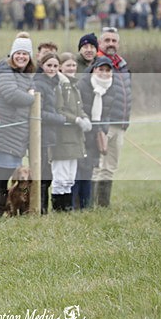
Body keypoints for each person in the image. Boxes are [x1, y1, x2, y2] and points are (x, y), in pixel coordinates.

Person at [0, 33, 36, 216]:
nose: (21, 56)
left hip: (17, 136)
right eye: (18, 53)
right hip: (4, 135)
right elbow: (12, 95)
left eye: (25, 53)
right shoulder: (5, 71)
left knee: (5, 176)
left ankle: (3, 211)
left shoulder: (26, 75)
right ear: (12, 55)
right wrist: (32, 97)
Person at [92, 28, 131, 207]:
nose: (111, 44)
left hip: (120, 123)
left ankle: (103, 205)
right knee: (97, 166)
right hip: (103, 124)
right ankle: (89, 205)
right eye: (107, 40)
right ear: (100, 43)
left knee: (110, 167)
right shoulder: (97, 64)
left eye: (114, 41)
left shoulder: (122, 65)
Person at [52, 57, 91, 211]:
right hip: (62, 137)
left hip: (75, 137)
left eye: (74, 65)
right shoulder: (60, 85)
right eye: (68, 65)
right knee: (60, 177)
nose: (72, 68)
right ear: (61, 67)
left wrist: (85, 117)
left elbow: (79, 108)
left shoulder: (74, 85)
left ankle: (67, 209)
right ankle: (58, 209)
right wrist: (75, 120)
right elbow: (59, 109)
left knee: (69, 177)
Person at [77, 56, 115, 209]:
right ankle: (77, 204)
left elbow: (107, 112)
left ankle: (88, 204)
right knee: (80, 168)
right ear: (94, 69)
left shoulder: (111, 87)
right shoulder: (83, 84)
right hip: (81, 131)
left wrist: (102, 130)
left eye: (107, 70)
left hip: (97, 132)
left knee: (92, 168)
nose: (104, 73)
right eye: (101, 69)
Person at [33, 53, 68, 213]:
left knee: (47, 174)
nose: (52, 69)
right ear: (42, 65)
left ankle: (45, 209)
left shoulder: (54, 84)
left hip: (51, 134)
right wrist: (59, 119)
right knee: (42, 174)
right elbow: (38, 112)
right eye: (49, 65)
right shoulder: (39, 83)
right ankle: (40, 209)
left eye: (55, 66)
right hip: (42, 135)